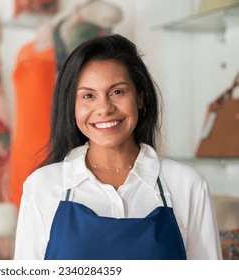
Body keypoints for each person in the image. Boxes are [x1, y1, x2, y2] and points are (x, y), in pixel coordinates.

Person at [14, 34, 223, 260]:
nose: (104, 108)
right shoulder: (42, 187)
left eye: (117, 92)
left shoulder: (187, 185)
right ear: (71, 107)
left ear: (140, 98)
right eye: (88, 96)